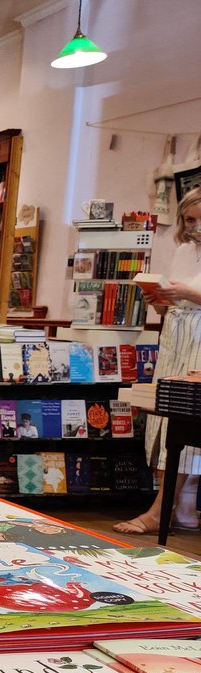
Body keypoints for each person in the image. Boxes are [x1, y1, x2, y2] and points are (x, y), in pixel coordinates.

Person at [115, 186, 201, 534]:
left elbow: (190, 293)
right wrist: (159, 297)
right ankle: (183, 508)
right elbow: (174, 300)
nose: (195, 226)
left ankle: (158, 512)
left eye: (200, 219)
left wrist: (184, 292)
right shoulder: (183, 250)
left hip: (199, 340)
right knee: (166, 418)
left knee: (187, 420)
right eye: (189, 219)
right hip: (176, 335)